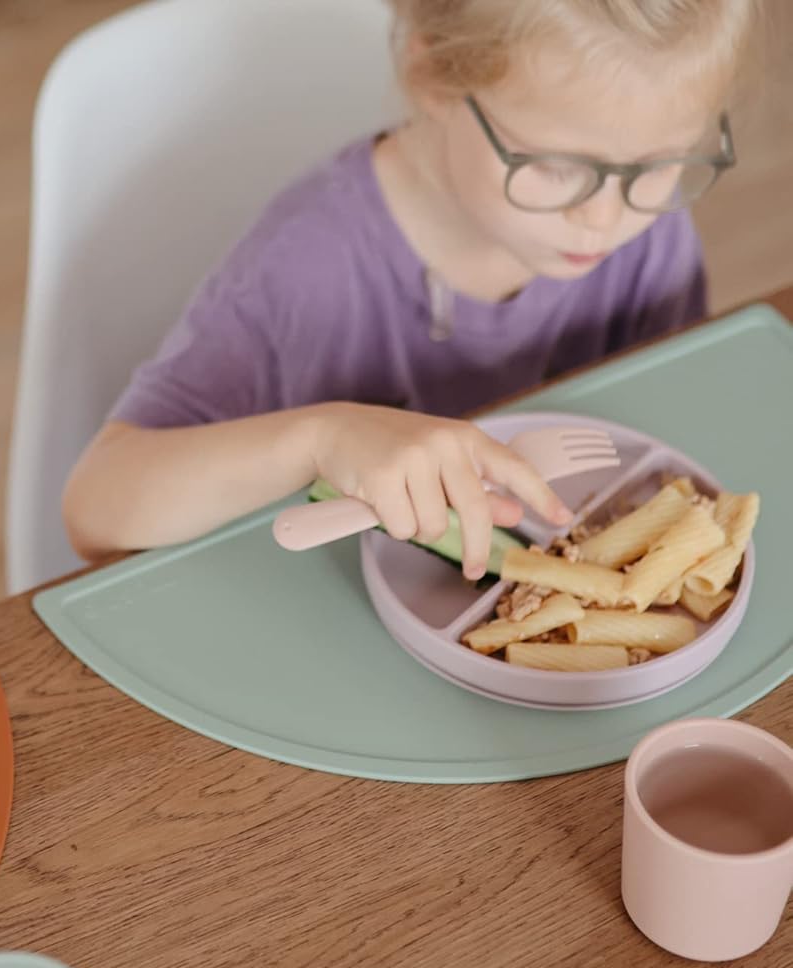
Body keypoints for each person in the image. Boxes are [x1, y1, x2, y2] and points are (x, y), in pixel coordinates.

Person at [63, 0, 759, 580]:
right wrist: (320, 437)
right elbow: (94, 509)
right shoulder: (305, 268)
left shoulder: (646, 229)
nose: (604, 217)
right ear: (432, 74)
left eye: (663, 164)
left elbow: (663, 419)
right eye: (551, 167)